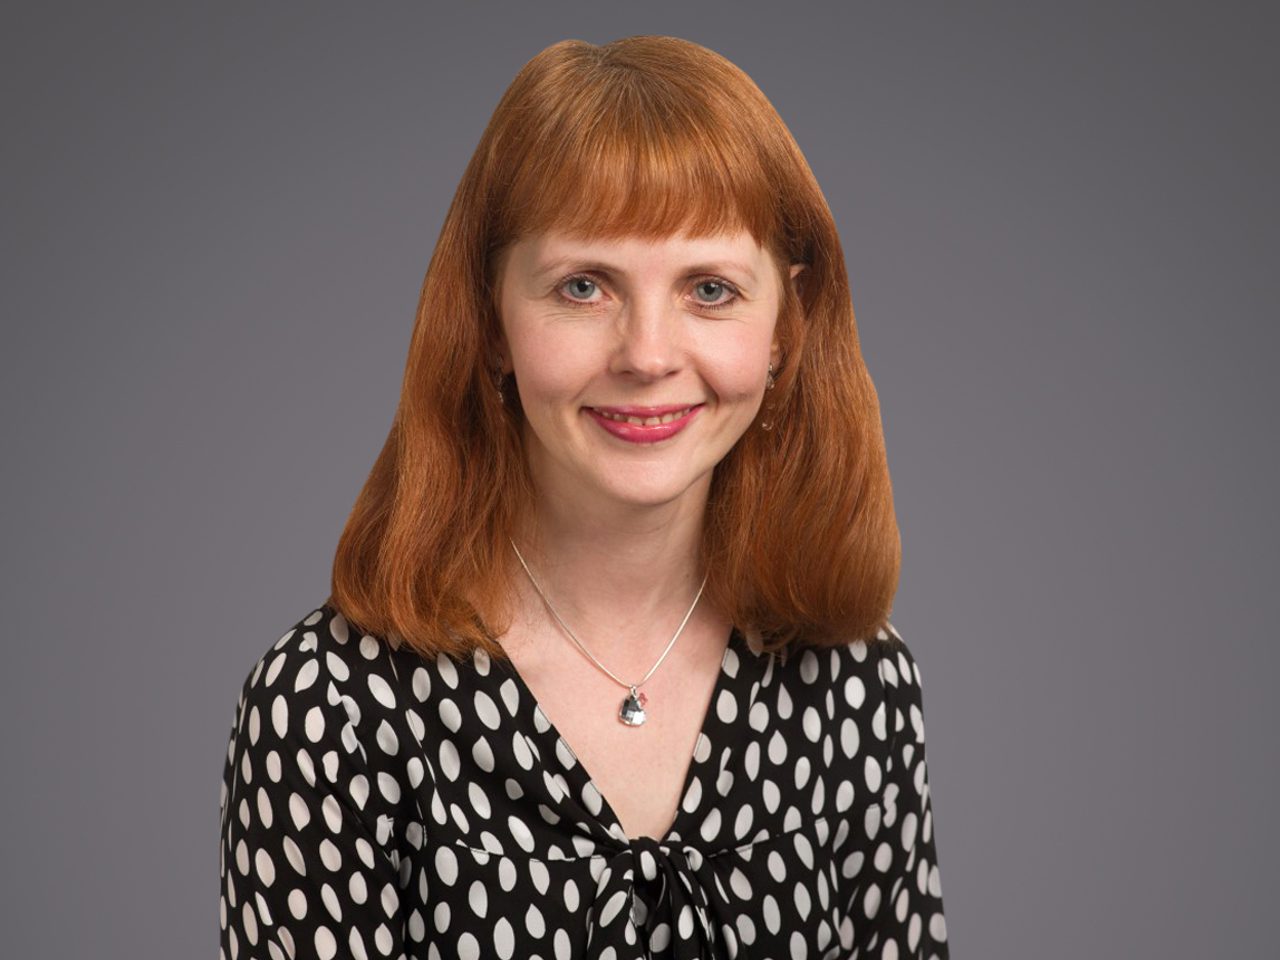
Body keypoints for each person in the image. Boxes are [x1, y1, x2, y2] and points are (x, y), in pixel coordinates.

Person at [217, 34, 949, 960]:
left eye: (711, 289)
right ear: (489, 323)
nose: (646, 354)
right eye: (584, 285)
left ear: (785, 327)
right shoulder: (323, 712)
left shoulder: (862, 687)